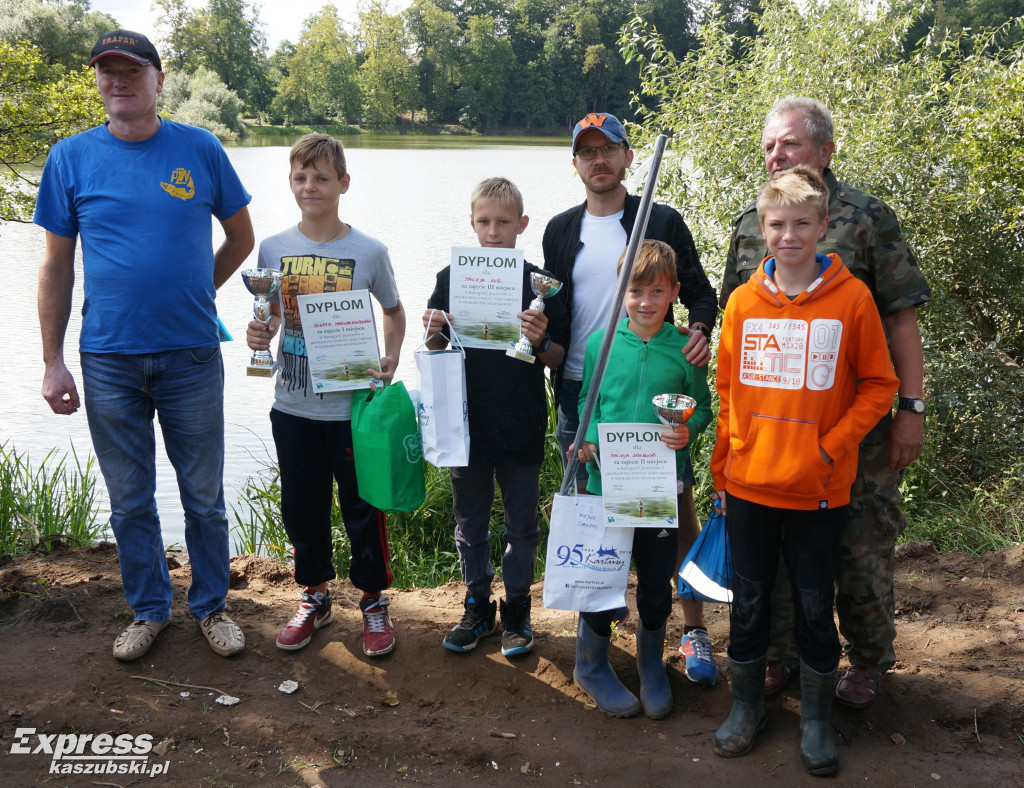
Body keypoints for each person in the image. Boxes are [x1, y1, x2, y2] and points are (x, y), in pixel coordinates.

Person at [34, 30, 254, 662]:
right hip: (107, 359)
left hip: (190, 354)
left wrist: (196, 290)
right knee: (129, 499)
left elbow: (241, 239)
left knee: (205, 496)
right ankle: (150, 609)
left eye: (131, 70)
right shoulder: (70, 158)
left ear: (158, 79)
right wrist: (52, 361)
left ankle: (212, 606)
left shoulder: (200, 148)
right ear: (98, 81)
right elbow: (55, 268)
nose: (118, 81)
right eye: (107, 71)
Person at [721, 96, 932, 707]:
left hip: (856, 431)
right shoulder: (751, 221)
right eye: (769, 146)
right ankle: (782, 658)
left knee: (859, 546)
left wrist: (910, 410)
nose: (776, 155)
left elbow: (901, 322)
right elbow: (741, 322)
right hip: (775, 436)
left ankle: (867, 663)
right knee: (781, 554)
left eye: (788, 144)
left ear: (824, 150)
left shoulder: (867, 217)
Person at [711, 167, 900, 774]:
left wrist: (834, 445)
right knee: (750, 601)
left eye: (801, 224)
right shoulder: (742, 303)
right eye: (776, 225)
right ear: (761, 230)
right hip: (748, 486)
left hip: (819, 489)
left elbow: (879, 384)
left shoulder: (853, 300)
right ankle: (746, 708)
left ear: (823, 227)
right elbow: (727, 387)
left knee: (816, 606)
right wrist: (723, 465)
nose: (788, 236)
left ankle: (816, 721)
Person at [542, 112, 721, 684]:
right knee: (598, 518)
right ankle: (595, 636)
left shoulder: (661, 219)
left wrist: (696, 337)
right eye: (587, 151)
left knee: (673, 513)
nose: (598, 160)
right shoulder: (560, 228)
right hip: (587, 386)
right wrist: (542, 345)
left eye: (609, 149)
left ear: (627, 155)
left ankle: (690, 630)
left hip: (661, 388)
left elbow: (699, 293)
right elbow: (558, 313)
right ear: (575, 162)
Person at [245, 133, 405, 657]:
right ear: (290, 183)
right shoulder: (272, 248)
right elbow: (266, 313)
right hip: (292, 406)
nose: (309, 186)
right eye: (300, 177)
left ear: (343, 183)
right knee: (302, 508)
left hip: (351, 410)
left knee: (362, 507)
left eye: (320, 177)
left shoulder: (370, 251)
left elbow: (395, 311)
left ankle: (373, 600)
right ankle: (314, 595)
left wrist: (391, 357)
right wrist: (258, 335)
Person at [423, 177, 569, 657]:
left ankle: (519, 610)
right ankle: (477, 605)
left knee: (522, 526)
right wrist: (434, 330)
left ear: (521, 224)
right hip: (465, 426)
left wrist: (543, 338)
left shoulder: (539, 284)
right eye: (484, 221)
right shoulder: (450, 277)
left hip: (521, 423)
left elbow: (558, 358)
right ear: (471, 223)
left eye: (503, 222)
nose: (492, 231)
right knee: (470, 522)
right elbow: (434, 348)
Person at [570, 239, 713, 719]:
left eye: (656, 291)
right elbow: (587, 400)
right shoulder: (600, 343)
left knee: (654, 579)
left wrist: (686, 430)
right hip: (604, 483)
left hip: (659, 487)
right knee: (603, 577)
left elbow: (703, 408)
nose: (646, 302)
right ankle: (589, 665)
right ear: (621, 291)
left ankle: (651, 662)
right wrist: (586, 440)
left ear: (674, 291)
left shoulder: (685, 351)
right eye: (635, 291)